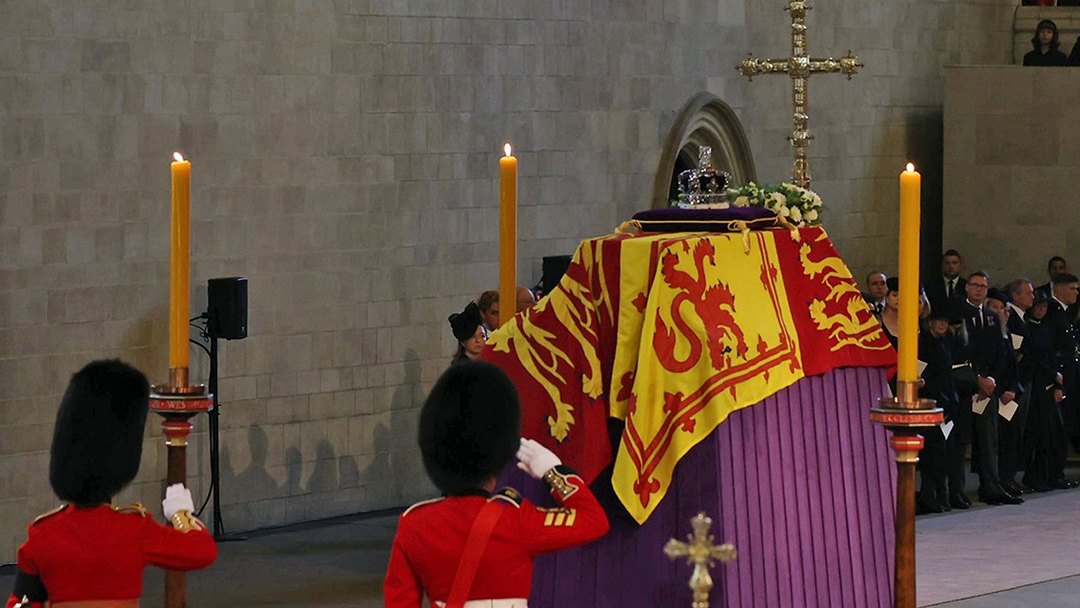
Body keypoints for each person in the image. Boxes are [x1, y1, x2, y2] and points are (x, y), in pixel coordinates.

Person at [383, 360, 609, 607]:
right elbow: (594, 520)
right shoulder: (516, 522)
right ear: (499, 453)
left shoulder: (414, 524)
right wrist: (553, 472)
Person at [5, 360, 217, 608]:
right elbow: (202, 551)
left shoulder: (42, 534)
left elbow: (20, 604)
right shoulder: (133, 530)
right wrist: (180, 513)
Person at [958, 273, 1022, 505]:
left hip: (988, 386)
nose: (979, 290)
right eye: (975, 285)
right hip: (966, 383)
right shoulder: (959, 313)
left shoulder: (991, 317)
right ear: (967, 287)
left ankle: (992, 486)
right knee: (960, 440)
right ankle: (956, 490)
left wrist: (991, 379)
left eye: (983, 287)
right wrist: (977, 379)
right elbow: (960, 351)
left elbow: (1001, 352)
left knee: (989, 439)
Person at [925, 250, 966, 318]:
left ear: (960, 265)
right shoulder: (932, 286)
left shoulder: (967, 286)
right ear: (942, 265)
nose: (951, 266)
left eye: (954, 263)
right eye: (947, 263)